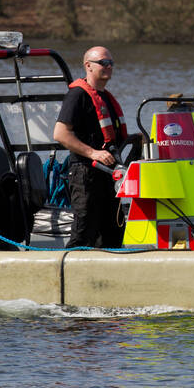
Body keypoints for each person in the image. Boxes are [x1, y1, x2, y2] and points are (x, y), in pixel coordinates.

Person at [53, 46, 127, 248]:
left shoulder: (106, 98)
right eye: (103, 62)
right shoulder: (77, 95)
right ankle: (70, 273)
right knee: (84, 231)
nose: (108, 66)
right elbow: (60, 134)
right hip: (85, 174)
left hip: (109, 175)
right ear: (88, 66)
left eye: (111, 63)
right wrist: (93, 153)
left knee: (114, 232)